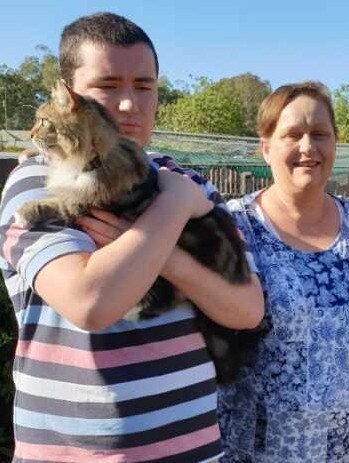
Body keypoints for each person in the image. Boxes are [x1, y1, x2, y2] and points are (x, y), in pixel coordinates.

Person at [0, 12, 264, 462]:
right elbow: (92, 301)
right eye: (107, 86)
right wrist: (173, 210)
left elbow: (246, 308)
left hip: (192, 449)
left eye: (144, 86)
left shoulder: (186, 181)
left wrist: (163, 244)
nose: (128, 105)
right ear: (70, 95)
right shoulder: (36, 182)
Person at [217, 82, 349, 462]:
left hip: (348, 450)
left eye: (320, 134)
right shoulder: (233, 227)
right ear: (266, 148)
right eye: (292, 135)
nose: (308, 147)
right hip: (258, 452)